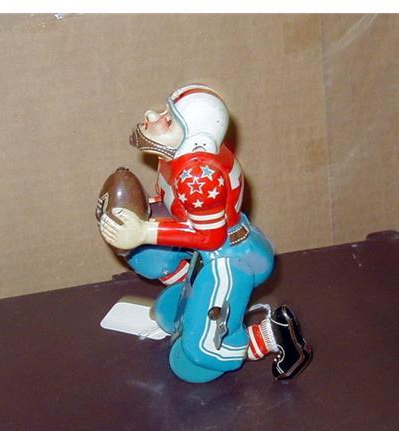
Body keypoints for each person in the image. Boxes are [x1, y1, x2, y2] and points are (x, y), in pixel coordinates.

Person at [99, 83, 312, 383]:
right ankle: (190, 295)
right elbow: (179, 210)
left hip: (230, 259)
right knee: (148, 257)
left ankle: (274, 335)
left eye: (170, 120)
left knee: (197, 356)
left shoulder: (198, 174)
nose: (153, 117)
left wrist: (145, 231)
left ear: (196, 139)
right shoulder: (177, 156)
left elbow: (211, 238)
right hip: (210, 248)